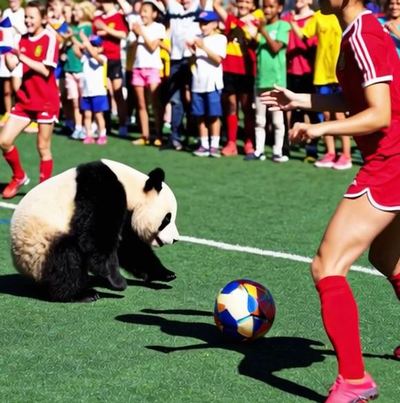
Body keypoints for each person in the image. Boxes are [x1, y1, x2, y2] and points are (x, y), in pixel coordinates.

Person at [261, 0, 400, 401]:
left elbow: (379, 115)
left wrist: (320, 131)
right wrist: (301, 100)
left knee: (327, 266)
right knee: (388, 259)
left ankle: (354, 379)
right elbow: (356, 100)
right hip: (393, 159)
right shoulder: (357, 31)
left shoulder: (366, 35)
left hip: (390, 162)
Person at [1, 0, 59, 199]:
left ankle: (42, 195)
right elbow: (11, 65)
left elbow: (45, 70)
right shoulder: (21, 39)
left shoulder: (50, 38)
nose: (27, 20)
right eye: (26, 17)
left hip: (46, 101)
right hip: (25, 99)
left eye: (32, 17)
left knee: (43, 147)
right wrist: (6, 50)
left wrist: (22, 56)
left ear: (43, 19)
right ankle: (19, 176)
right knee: (4, 141)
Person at [291, 8, 353, 170]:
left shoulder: (343, 14)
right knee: (326, 115)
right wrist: (292, 22)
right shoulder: (318, 16)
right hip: (322, 74)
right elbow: (304, 35)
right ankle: (330, 153)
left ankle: (346, 155)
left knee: (340, 115)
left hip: (341, 72)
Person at [245, 0, 290, 162]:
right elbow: (254, 47)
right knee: (260, 119)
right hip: (260, 80)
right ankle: (259, 150)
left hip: (276, 81)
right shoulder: (261, 28)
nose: (267, 10)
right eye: (265, 6)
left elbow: (276, 48)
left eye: (271, 6)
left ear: (280, 8)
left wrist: (262, 30)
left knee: (277, 120)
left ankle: (278, 151)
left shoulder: (283, 26)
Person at [213, 0, 258, 157]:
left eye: (247, 2)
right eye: (241, 1)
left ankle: (249, 141)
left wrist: (249, 25)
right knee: (231, 105)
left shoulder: (256, 20)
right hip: (229, 69)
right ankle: (231, 142)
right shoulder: (230, 19)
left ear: (253, 6)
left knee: (247, 107)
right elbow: (216, 5)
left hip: (246, 70)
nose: (243, 5)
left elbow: (255, 38)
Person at [282, 0, 320, 162]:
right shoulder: (285, 18)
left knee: (310, 110)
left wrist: (295, 25)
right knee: (288, 110)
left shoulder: (315, 19)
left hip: (308, 72)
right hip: (288, 71)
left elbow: (311, 43)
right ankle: (286, 147)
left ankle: (311, 150)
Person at [188, 10, 226, 158]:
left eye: (205, 23)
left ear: (215, 24)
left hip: (212, 83)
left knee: (214, 115)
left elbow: (218, 59)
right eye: (201, 24)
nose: (202, 27)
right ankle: (203, 144)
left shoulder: (220, 38)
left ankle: (214, 145)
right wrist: (192, 51)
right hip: (198, 83)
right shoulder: (198, 38)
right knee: (200, 115)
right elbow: (193, 62)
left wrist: (203, 47)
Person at [130, 0, 166, 146]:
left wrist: (141, 33)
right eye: (142, 11)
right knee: (141, 104)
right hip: (138, 67)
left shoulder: (159, 27)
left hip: (153, 68)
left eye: (146, 11)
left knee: (155, 103)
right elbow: (131, 46)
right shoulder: (138, 27)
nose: (142, 14)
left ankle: (158, 135)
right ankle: (144, 135)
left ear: (154, 14)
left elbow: (152, 46)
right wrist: (134, 35)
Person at [93, 0, 129, 136]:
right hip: (101, 60)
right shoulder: (98, 17)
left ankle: (123, 124)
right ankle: (106, 125)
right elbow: (94, 37)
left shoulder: (118, 16)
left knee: (117, 93)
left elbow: (123, 34)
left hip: (115, 59)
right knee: (105, 93)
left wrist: (106, 29)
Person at [64, 1, 95, 140]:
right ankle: (77, 127)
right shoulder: (74, 27)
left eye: (77, 11)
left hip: (82, 69)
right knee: (75, 101)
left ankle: (87, 126)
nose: (74, 13)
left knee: (84, 101)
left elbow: (85, 46)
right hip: (70, 68)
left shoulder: (88, 28)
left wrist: (72, 38)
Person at [73, 32, 109, 145]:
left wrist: (86, 43)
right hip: (86, 92)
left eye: (95, 45)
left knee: (98, 115)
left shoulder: (102, 58)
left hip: (98, 92)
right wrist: (72, 38)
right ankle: (89, 135)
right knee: (87, 115)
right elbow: (76, 50)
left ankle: (102, 134)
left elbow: (95, 55)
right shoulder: (86, 58)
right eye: (92, 45)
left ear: (101, 48)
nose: (92, 47)